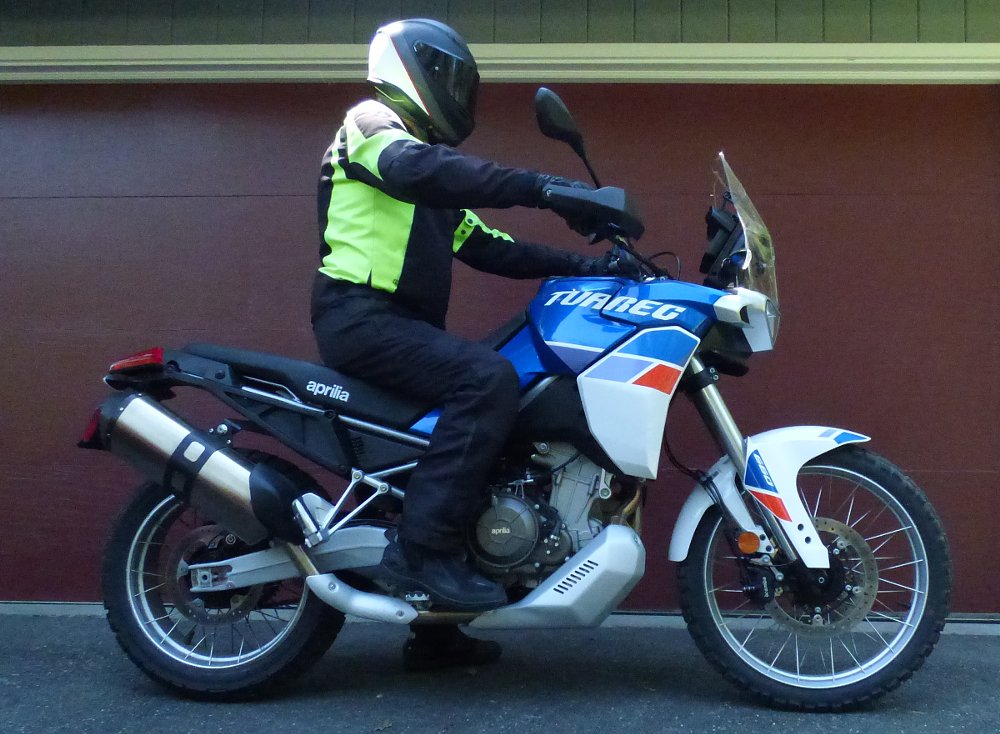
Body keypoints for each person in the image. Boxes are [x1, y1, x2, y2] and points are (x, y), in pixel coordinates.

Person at [310, 18, 615, 669]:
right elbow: (418, 169)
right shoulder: (373, 125)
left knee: (499, 418)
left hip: (405, 328)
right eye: (447, 76)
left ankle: (436, 627)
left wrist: (594, 268)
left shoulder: (430, 180)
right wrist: (545, 188)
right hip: (361, 318)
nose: (455, 92)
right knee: (485, 379)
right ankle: (420, 554)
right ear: (410, 68)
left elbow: (492, 248)